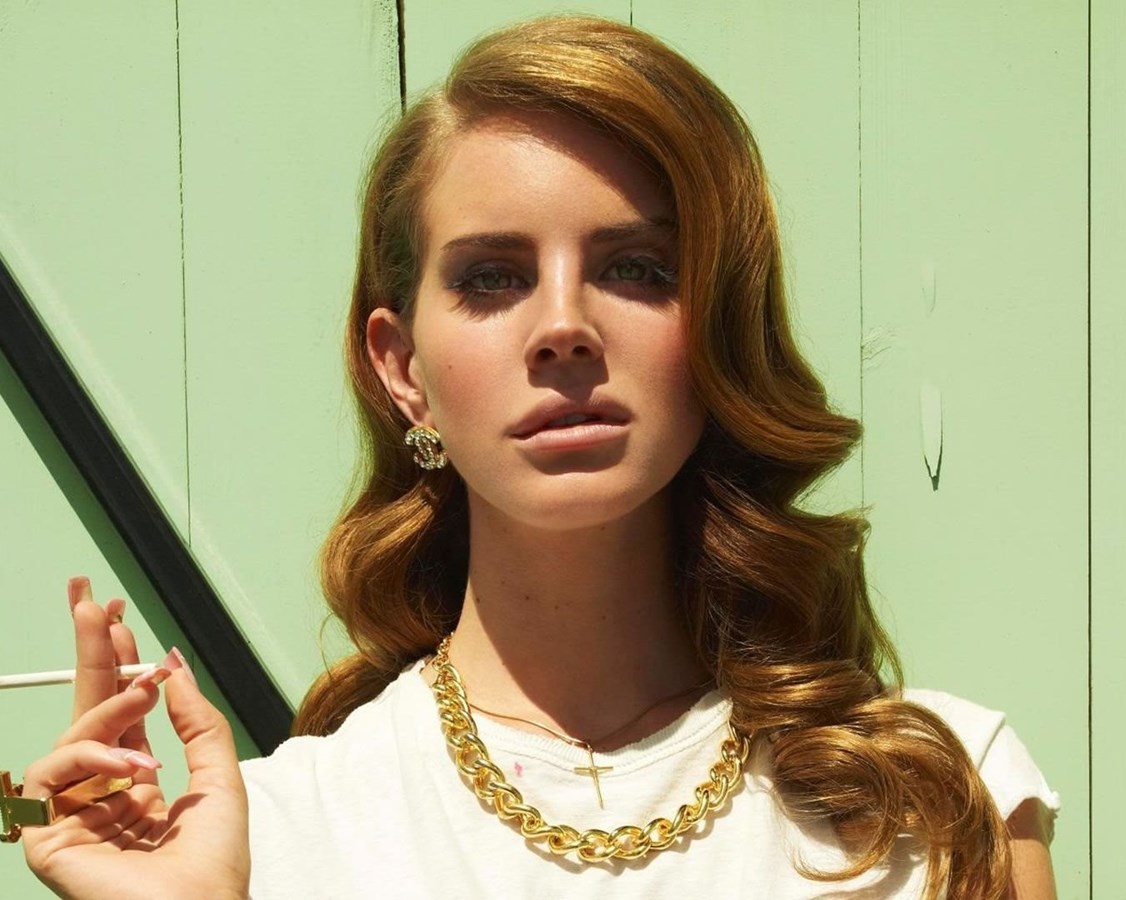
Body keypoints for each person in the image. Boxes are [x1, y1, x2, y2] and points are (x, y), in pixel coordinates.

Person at [17, 14, 1059, 900]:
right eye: (492, 278)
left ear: (718, 327)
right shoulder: (265, 841)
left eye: (637, 267)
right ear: (402, 368)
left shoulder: (937, 800)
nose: (564, 326)